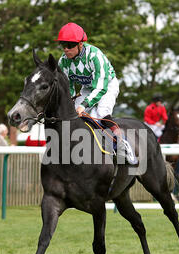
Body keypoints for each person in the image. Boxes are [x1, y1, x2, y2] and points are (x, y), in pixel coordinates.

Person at [57, 22, 137, 165]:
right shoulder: (63, 61)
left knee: (100, 112)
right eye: (63, 44)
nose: (65, 49)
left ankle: (122, 144)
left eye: (69, 45)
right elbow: (67, 87)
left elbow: (100, 87)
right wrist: (70, 102)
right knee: (73, 115)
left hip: (107, 85)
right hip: (88, 87)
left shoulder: (95, 56)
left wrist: (84, 105)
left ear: (80, 44)